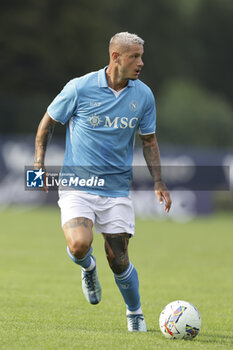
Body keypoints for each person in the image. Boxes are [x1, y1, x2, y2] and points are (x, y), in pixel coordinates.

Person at [34, 32, 172, 332]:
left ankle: (134, 313)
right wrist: (38, 167)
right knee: (80, 244)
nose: (141, 62)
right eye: (134, 56)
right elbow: (46, 124)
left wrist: (158, 181)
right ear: (115, 57)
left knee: (119, 260)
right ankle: (87, 267)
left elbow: (148, 141)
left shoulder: (144, 96)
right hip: (77, 184)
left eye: (141, 56)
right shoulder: (79, 88)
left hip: (116, 189)